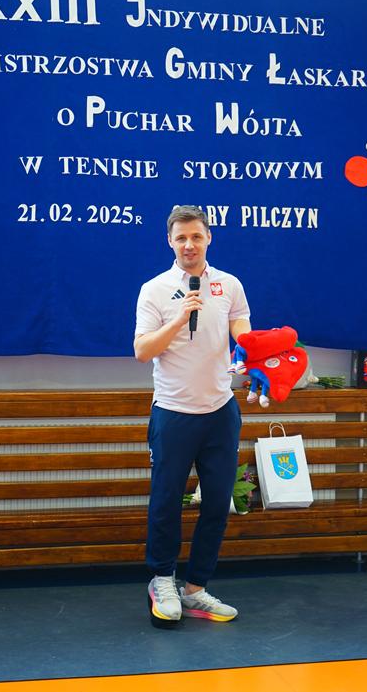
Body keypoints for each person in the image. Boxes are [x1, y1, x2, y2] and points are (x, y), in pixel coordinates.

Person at [134, 205, 251, 628]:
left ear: (208, 238)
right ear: (170, 241)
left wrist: (253, 354)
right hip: (174, 412)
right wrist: (181, 318)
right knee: (166, 502)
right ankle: (162, 581)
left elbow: (242, 330)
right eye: (181, 238)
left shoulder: (229, 284)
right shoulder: (155, 289)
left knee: (217, 503)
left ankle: (195, 588)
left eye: (196, 236)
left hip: (220, 411)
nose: (189, 245)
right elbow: (142, 350)